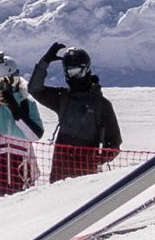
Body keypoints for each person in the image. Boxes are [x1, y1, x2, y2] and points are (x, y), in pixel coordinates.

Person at [30, 44, 123, 179]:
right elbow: (35, 89)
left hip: (85, 177)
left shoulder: (102, 105)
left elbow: (114, 142)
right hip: (59, 175)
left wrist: (103, 157)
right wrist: (45, 62)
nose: (72, 76)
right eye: (68, 72)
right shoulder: (63, 98)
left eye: (76, 71)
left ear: (86, 70)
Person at [0, 55, 45, 197]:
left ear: (16, 78)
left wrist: (16, 110)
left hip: (22, 163)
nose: (5, 86)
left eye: (9, 80)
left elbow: (35, 134)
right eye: (0, 81)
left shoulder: (27, 103)